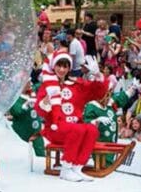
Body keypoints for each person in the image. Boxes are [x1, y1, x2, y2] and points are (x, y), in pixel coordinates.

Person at [34, 51, 108, 181]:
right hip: (54, 128)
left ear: (69, 68)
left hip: (75, 127)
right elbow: (40, 111)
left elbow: (98, 93)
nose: (62, 70)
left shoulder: (76, 84)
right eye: (59, 66)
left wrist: (98, 76)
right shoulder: (48, 85)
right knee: (78, 129)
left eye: (65, 66)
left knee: (92, 130)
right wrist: (46, 101)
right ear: (53, 66)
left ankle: (77, 167)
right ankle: (66, 169)